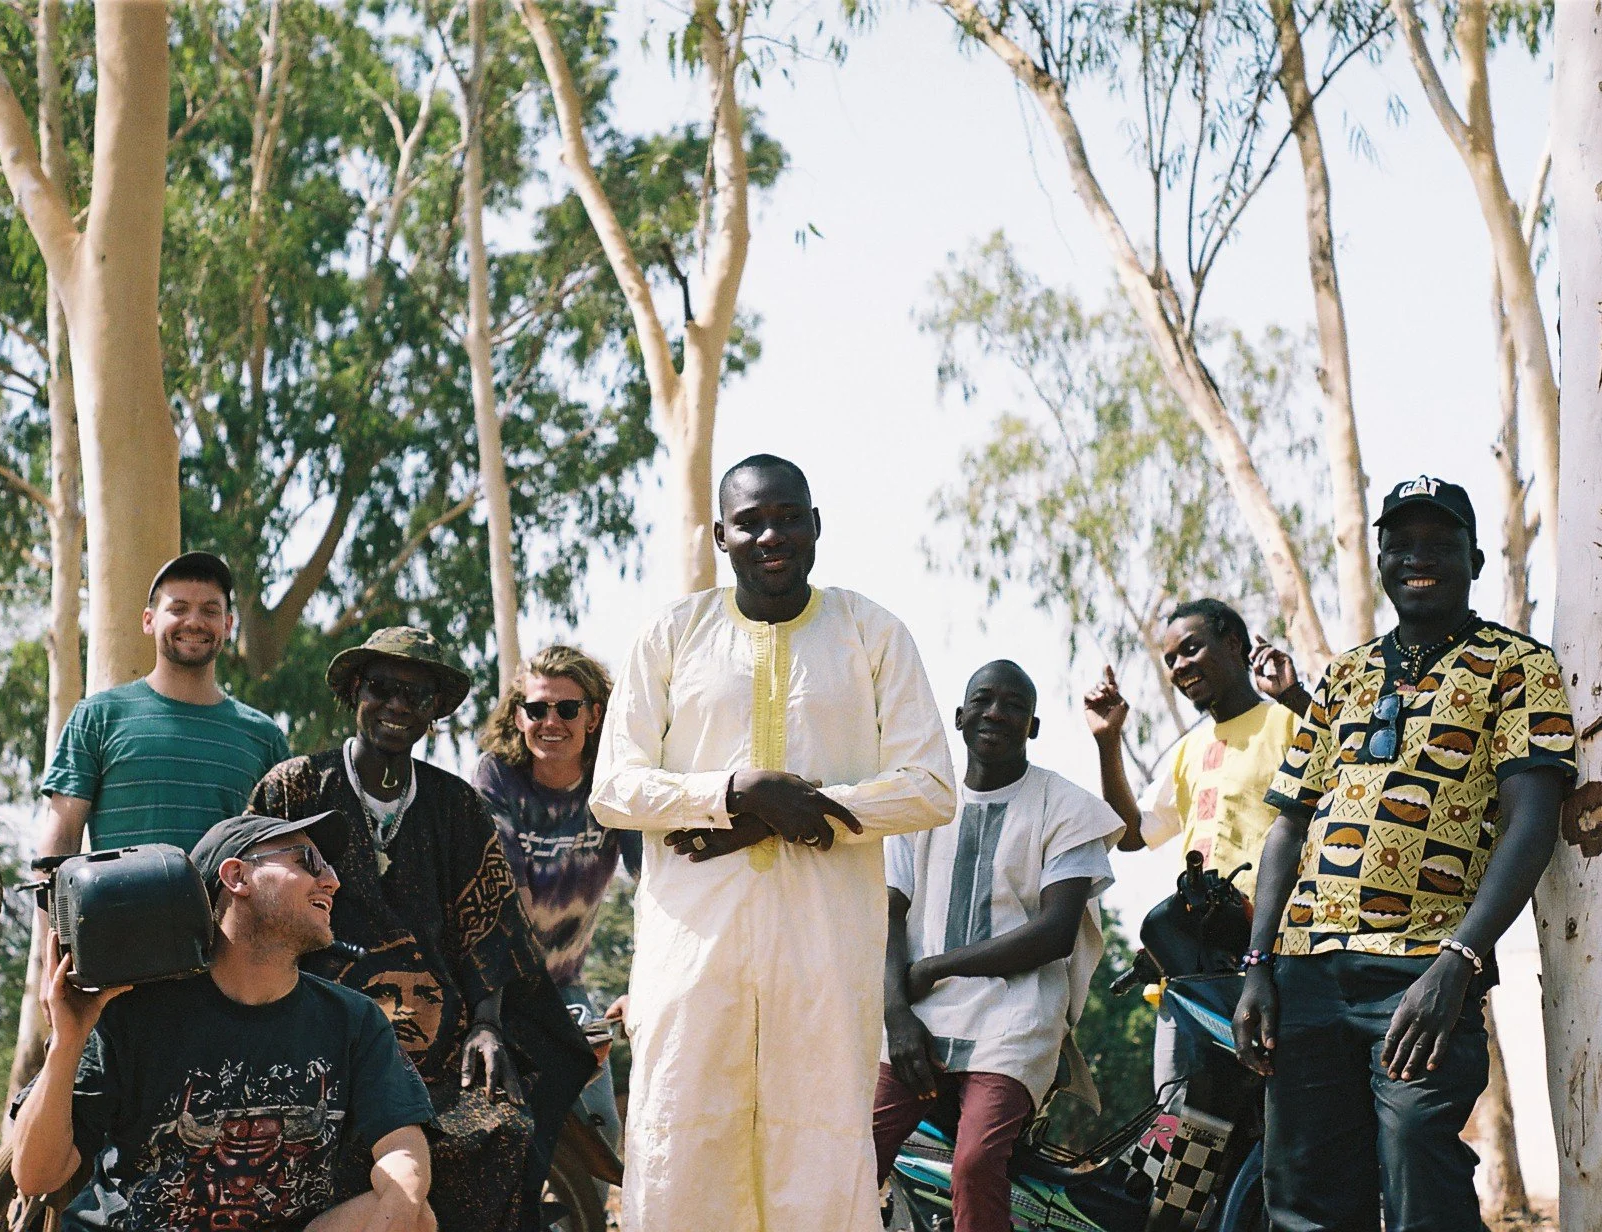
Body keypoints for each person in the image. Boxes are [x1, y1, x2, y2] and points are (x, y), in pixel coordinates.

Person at [591, 453, 956, 1231]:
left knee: (818, 1151)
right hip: (696, 947)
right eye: (750, 521)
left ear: (816, 525)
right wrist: (734, 794)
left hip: (823, 944)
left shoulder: (871, 633)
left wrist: (800, 808)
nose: (771, 536)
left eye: (788, 517)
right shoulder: (673, 634)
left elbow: (930, 786)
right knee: (683, 1139)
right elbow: (614, 787)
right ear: (719, 535)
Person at [1232, 476, 1576, 1232]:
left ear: (1475, 560)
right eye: (1400, 545)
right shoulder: (1344, 674)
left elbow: (1533, 820)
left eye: (1440, 544)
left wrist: (1461, 959)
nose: (1419, 558)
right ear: (1382, 561)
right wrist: (1258, 964)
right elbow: (1289, 826)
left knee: (1424, 1176)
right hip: (1307, 971)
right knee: (1305, 1199)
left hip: (1423, 970)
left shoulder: (1517, 665)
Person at [248, 627, 596, 1232]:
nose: (397, 705)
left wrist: (487, 1024)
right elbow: (250, 904)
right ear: (355, 692)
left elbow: (489, 925)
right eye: (381, 688)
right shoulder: (294, 788)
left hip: (436, 1045)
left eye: (416, 695)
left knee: (502, 1124)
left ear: (435, 710)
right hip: (311, 1028)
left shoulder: (455, 805)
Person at [9, 810, 437, 1231]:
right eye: (308, 861)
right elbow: (36, 1176)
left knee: (415, 1216)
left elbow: (401, 1147)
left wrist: (399, 1202)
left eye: (330, 867)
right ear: (237, 877)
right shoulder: (130, 1010)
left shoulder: (353, 1020)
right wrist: (68, 1040)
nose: (332, 880)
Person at [875, 660, 1121, 1232]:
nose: (996, 713)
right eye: (983, 700)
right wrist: (896, 1013)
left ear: (1033, 726)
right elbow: (887, 913)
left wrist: (935, 966)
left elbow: (1055, 932)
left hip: (1017, 1017)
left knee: (976, 1162)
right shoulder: (922, 802)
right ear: (959, 717)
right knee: (851, 1152)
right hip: (920, 1013)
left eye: (1014, 706)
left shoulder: (1066, 806)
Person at [1082, 598, 1307, 1089]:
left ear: (1233, 644)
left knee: (1272, 1112)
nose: (1178, 666)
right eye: (1170, 660)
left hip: (1276, 962)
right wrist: (1108, 741)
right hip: (1193, 970)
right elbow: (1131, 835)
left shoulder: (1288, 723)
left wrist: (1298, 699)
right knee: (1178, 1116)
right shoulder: (1188, 749)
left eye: (1190, 649)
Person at [473, 644, 640, 1149]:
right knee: (491, 1130)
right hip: (492, 987)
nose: (551, 722)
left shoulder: (611, 784)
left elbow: (654, 888)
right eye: (537, 708)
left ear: (594, 716)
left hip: (563, 984)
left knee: (600, 1133)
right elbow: (506, 899)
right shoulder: (498, 776)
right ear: (518, 717)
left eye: (567, 708)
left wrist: (643, 985)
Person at [40, 552, 290, 858]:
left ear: (227, 625)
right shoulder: (97, 718)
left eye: (210, 611)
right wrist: (46, 891)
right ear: (149, 620)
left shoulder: (264, 737)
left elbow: (287, 852)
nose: (194, 622)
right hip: (121, 892)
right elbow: (62, 836)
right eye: (178, 609)